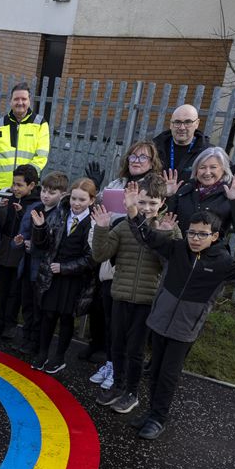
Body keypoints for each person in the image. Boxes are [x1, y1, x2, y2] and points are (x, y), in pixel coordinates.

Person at [134, 212, 235, 440]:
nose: (195, 238)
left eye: (202, 234)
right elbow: (147, 237)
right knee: (154, 371)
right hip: (159, 321)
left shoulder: (223, 262)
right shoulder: (177, 248)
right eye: (192, 232)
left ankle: (158, 419)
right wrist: (134, 213)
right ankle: (152, 411)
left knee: (168, 375)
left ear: (215, 236)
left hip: (184, 329)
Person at [90, 175, 175, 415]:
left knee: (135, 351)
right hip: (120, 296)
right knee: (116, 345)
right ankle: (117, 385)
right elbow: (100, 254)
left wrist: (166, 236)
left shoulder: (167, 226)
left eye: (153, 203)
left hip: (147, 300)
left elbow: (170, 262)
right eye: (143, 202)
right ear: (135, 199)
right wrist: (102, 228)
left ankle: (132, 392)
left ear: (162, 202)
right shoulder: (124, 226)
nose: (147, 208)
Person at [29, 177, 96, 374]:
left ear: (91, 201)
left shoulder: (93, 222)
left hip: (75, 279)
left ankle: (59, 357)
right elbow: (45, 245)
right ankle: (42, 353)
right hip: (53, 276)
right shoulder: (61, 214)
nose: (76, 203)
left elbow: (92, 258)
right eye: (74, 198)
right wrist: (40, 228)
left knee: (66, 318)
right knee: (48, 315)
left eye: (82, 200)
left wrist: (65, 268)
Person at [16, 172, 68, 353]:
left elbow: (54, 244)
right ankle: (26, 335)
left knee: (40, 307)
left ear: (62, 194)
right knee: (27, 303)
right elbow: (23, 232)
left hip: (43, 268)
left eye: (51, 192)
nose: (46, 195)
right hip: (28, 264)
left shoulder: (61, 214)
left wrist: (35, 246)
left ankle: (35, 340)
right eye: (44, 191)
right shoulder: (35, 208)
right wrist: (21, 241)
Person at [0, 164, 40, 341]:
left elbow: (34, 228)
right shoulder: (11, 199)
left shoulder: (36, 204)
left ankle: (10, 323)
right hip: (5, 249)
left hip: (20, 253)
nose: (14, 188)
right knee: (3, 288)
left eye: (19, 185)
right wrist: (3, 210)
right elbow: (3, 224)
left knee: (15, 291)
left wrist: (23, 213)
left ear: (31, 186)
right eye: (13, 184)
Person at [153, 104, 235, 182]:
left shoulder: (209, 152)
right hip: (155, 208)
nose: (182, 127)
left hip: (191, 211)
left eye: (188, 122)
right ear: (171, 124)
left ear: (197, 123)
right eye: (177, 122)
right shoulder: (154, 148)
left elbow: (231, 179)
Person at [166, 147, 235, 239]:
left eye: (213, 167)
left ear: (224, 170)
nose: (207, 172)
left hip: (212, 252)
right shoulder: (185, 190)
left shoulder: (229, 194)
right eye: (202, 167)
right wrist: (169, 197)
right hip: (180, 249)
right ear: (196, 170)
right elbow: (165, 221)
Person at [0, 84, 50, 189]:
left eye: (24, 99)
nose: (20, 102)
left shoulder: (40, 124)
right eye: (16, 99)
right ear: (10, 101)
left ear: (29, 101)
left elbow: (41, 156)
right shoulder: (0, 125)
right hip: (1, 186)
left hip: (26, 187)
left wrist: (25, 178)